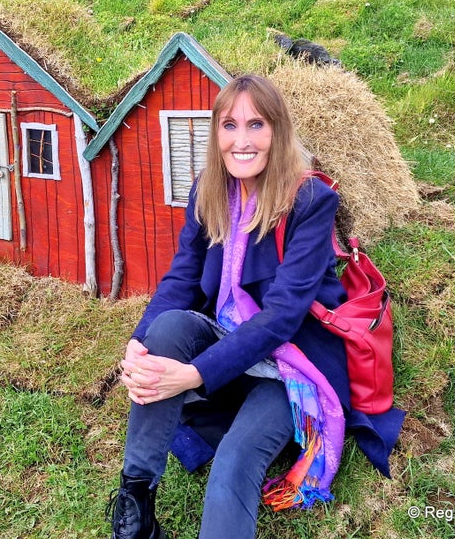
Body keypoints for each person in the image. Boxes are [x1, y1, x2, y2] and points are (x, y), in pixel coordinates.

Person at [107, 74, 360, 539]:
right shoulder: (209, 189)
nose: (241, 141)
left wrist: (194, 375)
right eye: (229, 125)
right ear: (216, 133)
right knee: (165, 330)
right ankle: (136, 503)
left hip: (288, 364)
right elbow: (183, 276)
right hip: (226, 340)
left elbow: (282, 317)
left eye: (256, 125)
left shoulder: (310, 201)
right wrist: (137, 345)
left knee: (233, 462)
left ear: (277, 131)